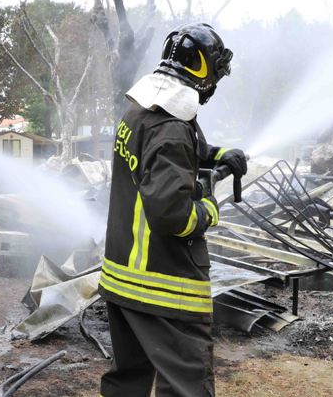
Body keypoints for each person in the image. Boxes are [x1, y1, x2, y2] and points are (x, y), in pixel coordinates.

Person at [98, 23, 248, 397]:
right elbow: (173, 216)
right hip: (164, 285)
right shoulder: (170, 126)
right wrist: (209, 209)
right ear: (204, 70)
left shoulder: (140, 110)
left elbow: (173, 150)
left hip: (123, 280)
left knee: (127, 383)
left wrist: (216, 155)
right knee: (186, 387)